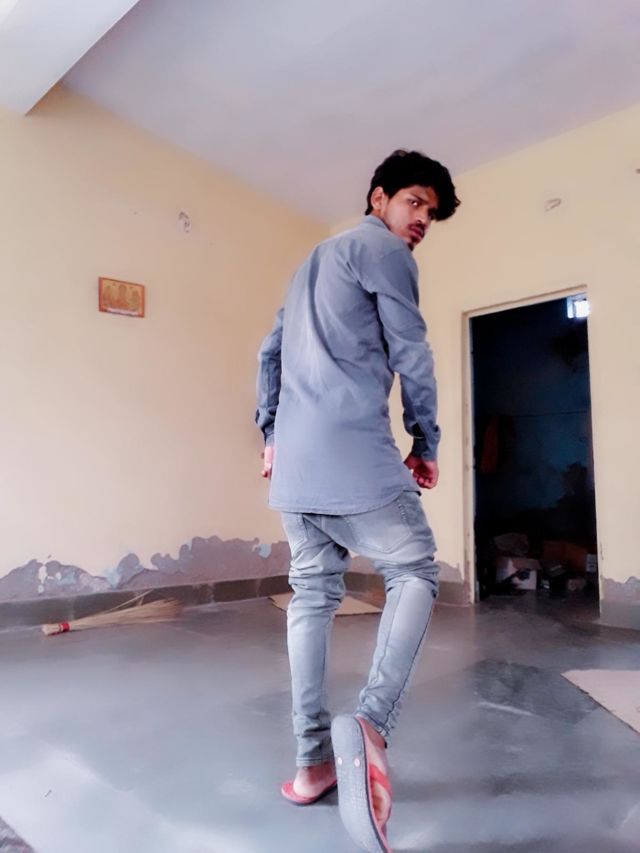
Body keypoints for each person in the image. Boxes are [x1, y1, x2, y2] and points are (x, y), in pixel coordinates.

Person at [256, 149, 459, 851]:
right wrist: (426, 438)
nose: (422, 219)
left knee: (312, 595)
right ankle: (372, 722)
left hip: (295, 466)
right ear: (379, 199)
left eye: (431, 212)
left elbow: (268, 354)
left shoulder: (307, 266)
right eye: (414, 202)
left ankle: (312, 764)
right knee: (415, 569)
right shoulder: (385, 252)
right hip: (351, 451)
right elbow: (412, 351)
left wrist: (269, 434)